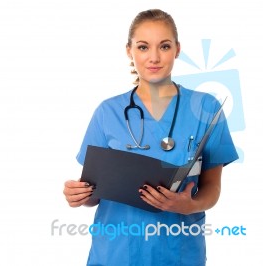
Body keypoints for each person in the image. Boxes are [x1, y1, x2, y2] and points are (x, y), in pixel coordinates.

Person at [63, 8, 238, 266]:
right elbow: (94, 193)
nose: (154, 57)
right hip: (117, 252)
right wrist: (79, 196)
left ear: (177, 49)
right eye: (143, 47)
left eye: (164, 46)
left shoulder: (206, 108)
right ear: (129, 51)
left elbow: (213, 186)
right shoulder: (107, 112)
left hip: (178, 251)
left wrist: (189, 205)